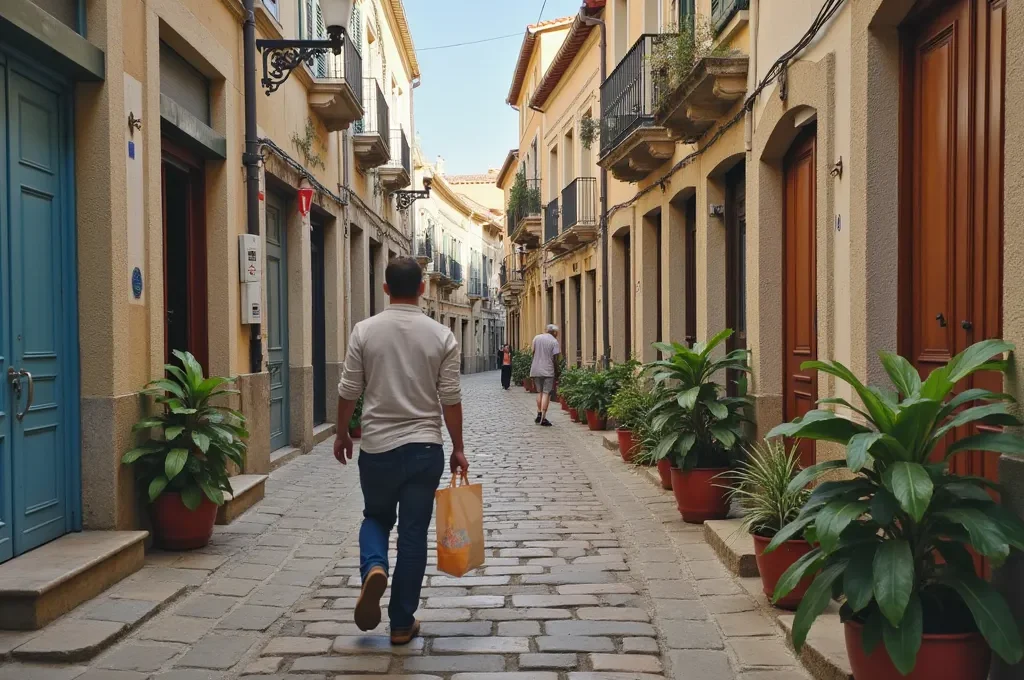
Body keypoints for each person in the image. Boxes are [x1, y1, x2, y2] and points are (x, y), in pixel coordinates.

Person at [334, 256, 468, 646]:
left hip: (377, 448)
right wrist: (458, 447)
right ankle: (401, 623)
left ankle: (374, 567)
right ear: (423, 288)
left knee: (375, 517)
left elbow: (348, 390)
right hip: (425, 448)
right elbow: (450, 398)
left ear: (385, 288)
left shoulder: (365, 331)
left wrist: (342, 433)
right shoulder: (442, 336)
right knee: (413, 534)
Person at [530, 324, 561, 426]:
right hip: (548, 370)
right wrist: (557, 371)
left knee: (539, 392)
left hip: (536, 368)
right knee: (546, 393)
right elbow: (555, 358)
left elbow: (533, 352)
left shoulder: (537, 338)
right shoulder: (554, 341)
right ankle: (543, 418)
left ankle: (539, 413)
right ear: (554, 332)